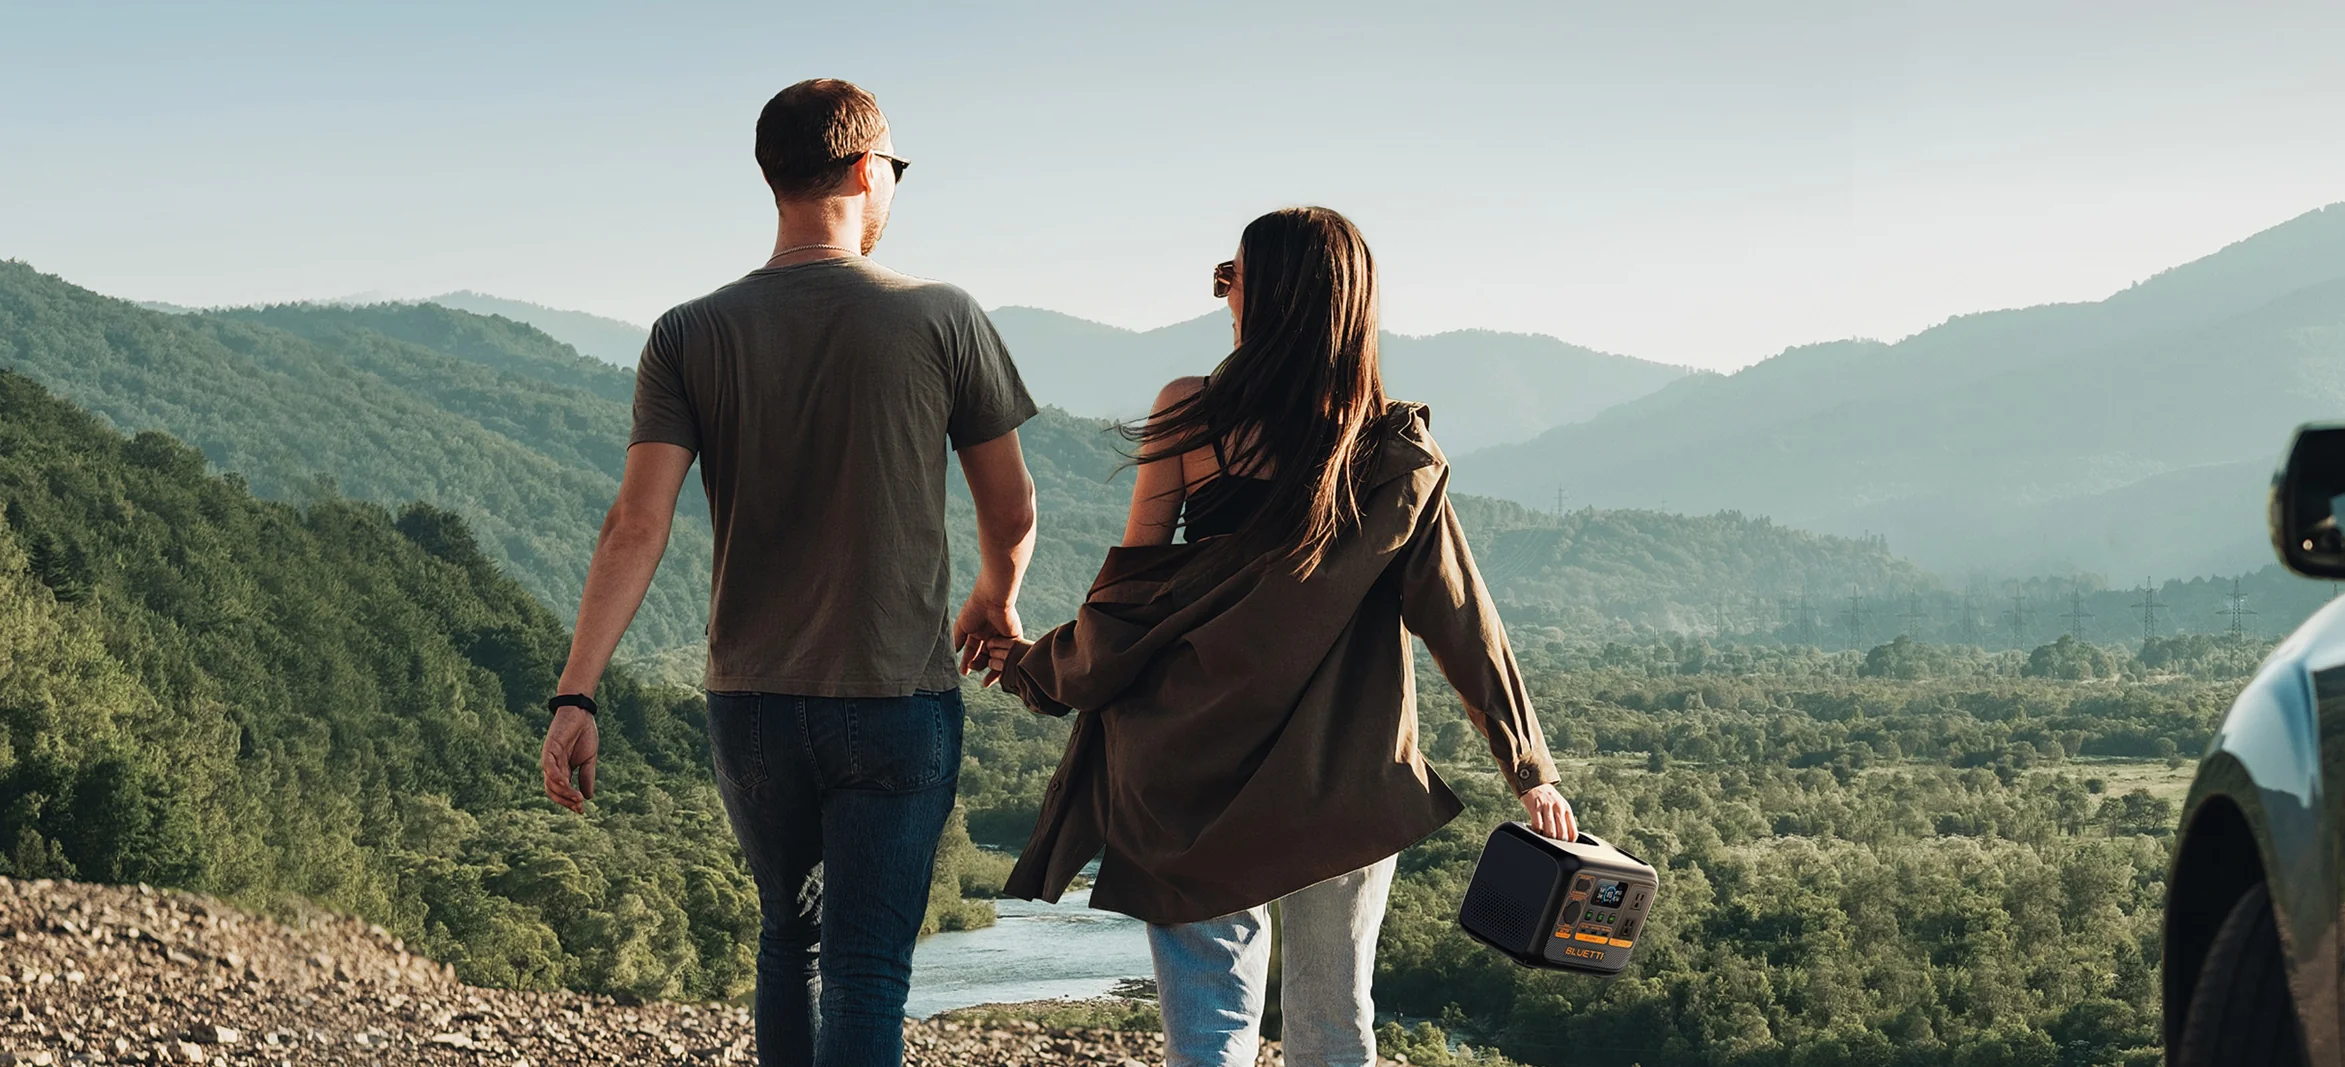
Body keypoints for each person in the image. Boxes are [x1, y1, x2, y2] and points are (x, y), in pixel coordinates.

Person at [995, 206, 1576, 1067]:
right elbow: (1460, 614)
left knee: (1211, 1032)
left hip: (1191, 773)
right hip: (1340, 781)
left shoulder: (1192, 414)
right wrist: (1530, 768)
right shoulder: (1392, 450)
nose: (1223, 293)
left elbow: (1129, 604)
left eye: (1234, 278)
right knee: (1335, 1026)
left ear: (1261, 297)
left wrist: (1032, 667)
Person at [537, 78, 1039, 1067]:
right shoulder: (944, 315)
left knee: (789, 940)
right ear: (864, 169)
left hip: (751, 705)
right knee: (866, 971)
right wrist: (996, 596)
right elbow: (1013, 505)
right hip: (895, 695)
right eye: (894, 170)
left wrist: (577, 688)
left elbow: (635, 523)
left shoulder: (686, 332)